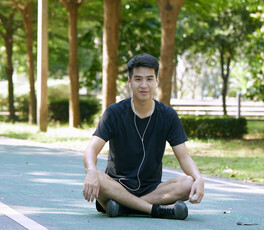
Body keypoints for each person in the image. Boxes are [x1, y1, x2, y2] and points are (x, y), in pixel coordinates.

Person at [83, 53, 204, 220]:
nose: (144, 85)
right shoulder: (114, 113)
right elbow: (91, 149)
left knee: (188, 183)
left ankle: (123, 208)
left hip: (152, 190)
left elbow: (184, 157)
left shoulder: (168, 115)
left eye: (149, 79)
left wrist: (199, 178)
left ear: (156, 81)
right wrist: (90, 171)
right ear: (130, 82)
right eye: (138, 79)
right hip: (116, 186)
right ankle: (154, 210)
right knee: (98, 176)